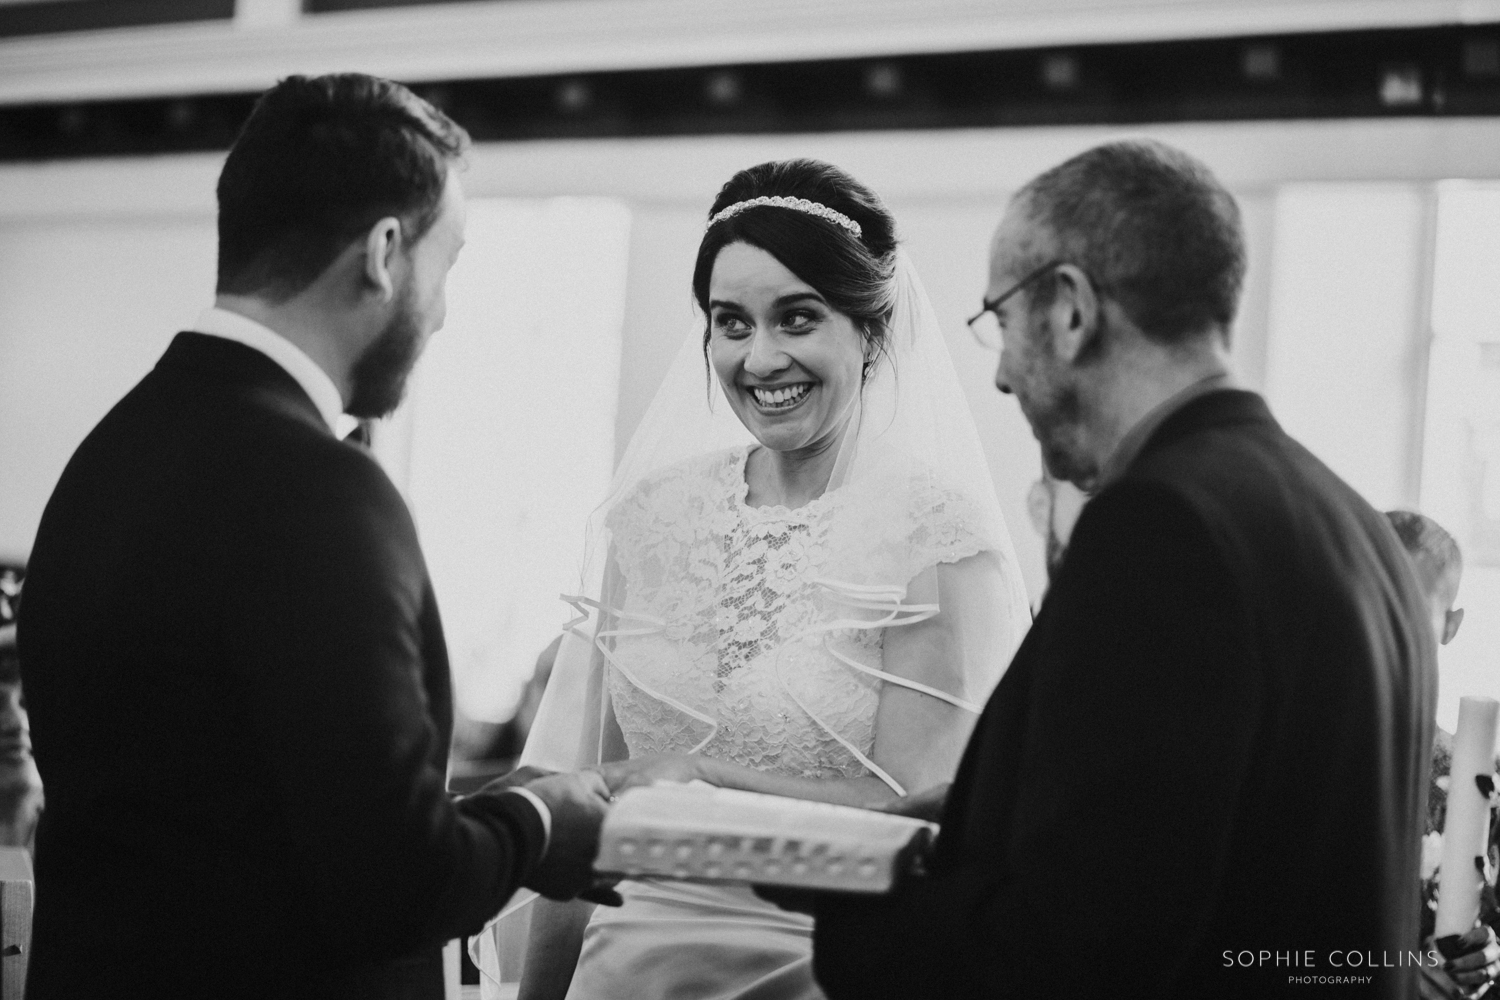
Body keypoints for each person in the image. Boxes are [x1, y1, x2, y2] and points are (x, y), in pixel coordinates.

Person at [17, 74, 610, 1000]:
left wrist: (475, 811)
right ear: (383, 254)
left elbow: (243, 806)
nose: (444, 310)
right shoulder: (322, 493)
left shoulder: (109, 454)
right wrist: (540, 821)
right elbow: (394, 889)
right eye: (445, 265)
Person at [803, 140, 1437, 1000]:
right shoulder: (1350, 519)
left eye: (1001, 320)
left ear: (1068, 309)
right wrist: (991, 822)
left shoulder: (1159, 528)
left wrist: (848, 894)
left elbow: (1071, 954)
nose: (998, 375)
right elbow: (1218, 848)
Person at [472, 158, 1033, 999]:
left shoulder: (934, 538)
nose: (760, 358)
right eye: (730, 324)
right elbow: (588, 819)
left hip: (819, 966)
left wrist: (705, 784)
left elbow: (916, 824)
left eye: (797, 319)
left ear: (871, 332)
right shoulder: (652, 519)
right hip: (620, 970)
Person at [1384, 510, 1500, 999]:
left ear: (1450, 626)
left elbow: (1483, 926)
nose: (1384, 624)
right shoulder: (1304, 755)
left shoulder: (1469, 778)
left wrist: (1485, 956)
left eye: (1408, 608)